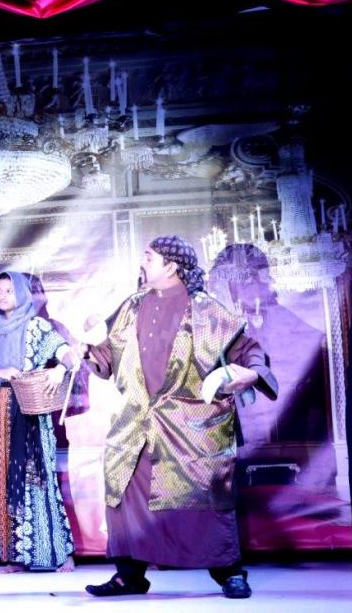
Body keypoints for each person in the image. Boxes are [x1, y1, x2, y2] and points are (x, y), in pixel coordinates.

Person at [83, 235, 278, 599]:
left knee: (206, 499)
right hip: (137, 424)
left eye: (149, 257)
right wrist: (85, 351)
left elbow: (248, 350)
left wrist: (251, 373)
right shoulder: (131, 306)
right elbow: (105, 358)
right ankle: (129, 576)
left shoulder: (203, 309)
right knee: (126, 493)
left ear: (171, 266)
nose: (142, 263)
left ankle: (230, 572)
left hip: (192, 426)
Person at [0, 271, 77, 573]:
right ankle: (15, 556)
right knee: (2, 484)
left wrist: (59, 370)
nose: (4, 296)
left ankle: (61, 553)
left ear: (21, 293)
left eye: (10, 290)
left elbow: (69, 356)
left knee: (37, 480)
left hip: (30, 415)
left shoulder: (36, 327)